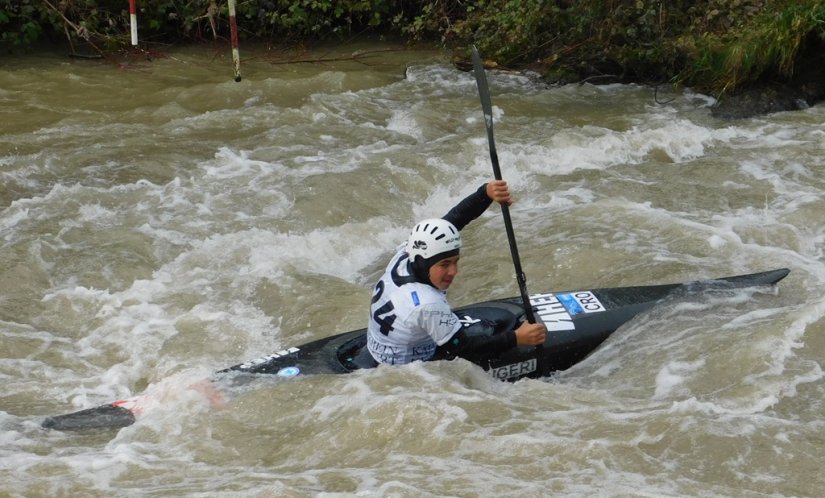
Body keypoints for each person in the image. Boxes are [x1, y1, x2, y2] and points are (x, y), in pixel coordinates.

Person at [366, 180, 547, 366]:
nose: (453, 271)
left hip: (381, 346)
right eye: (444, 264)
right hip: (407, 367)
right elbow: (464, 350)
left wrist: (484, 194)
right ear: (422, 262)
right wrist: (517, 338)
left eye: (455, 262)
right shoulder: (428, 305)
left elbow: (451, 222)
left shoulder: (405, 256)